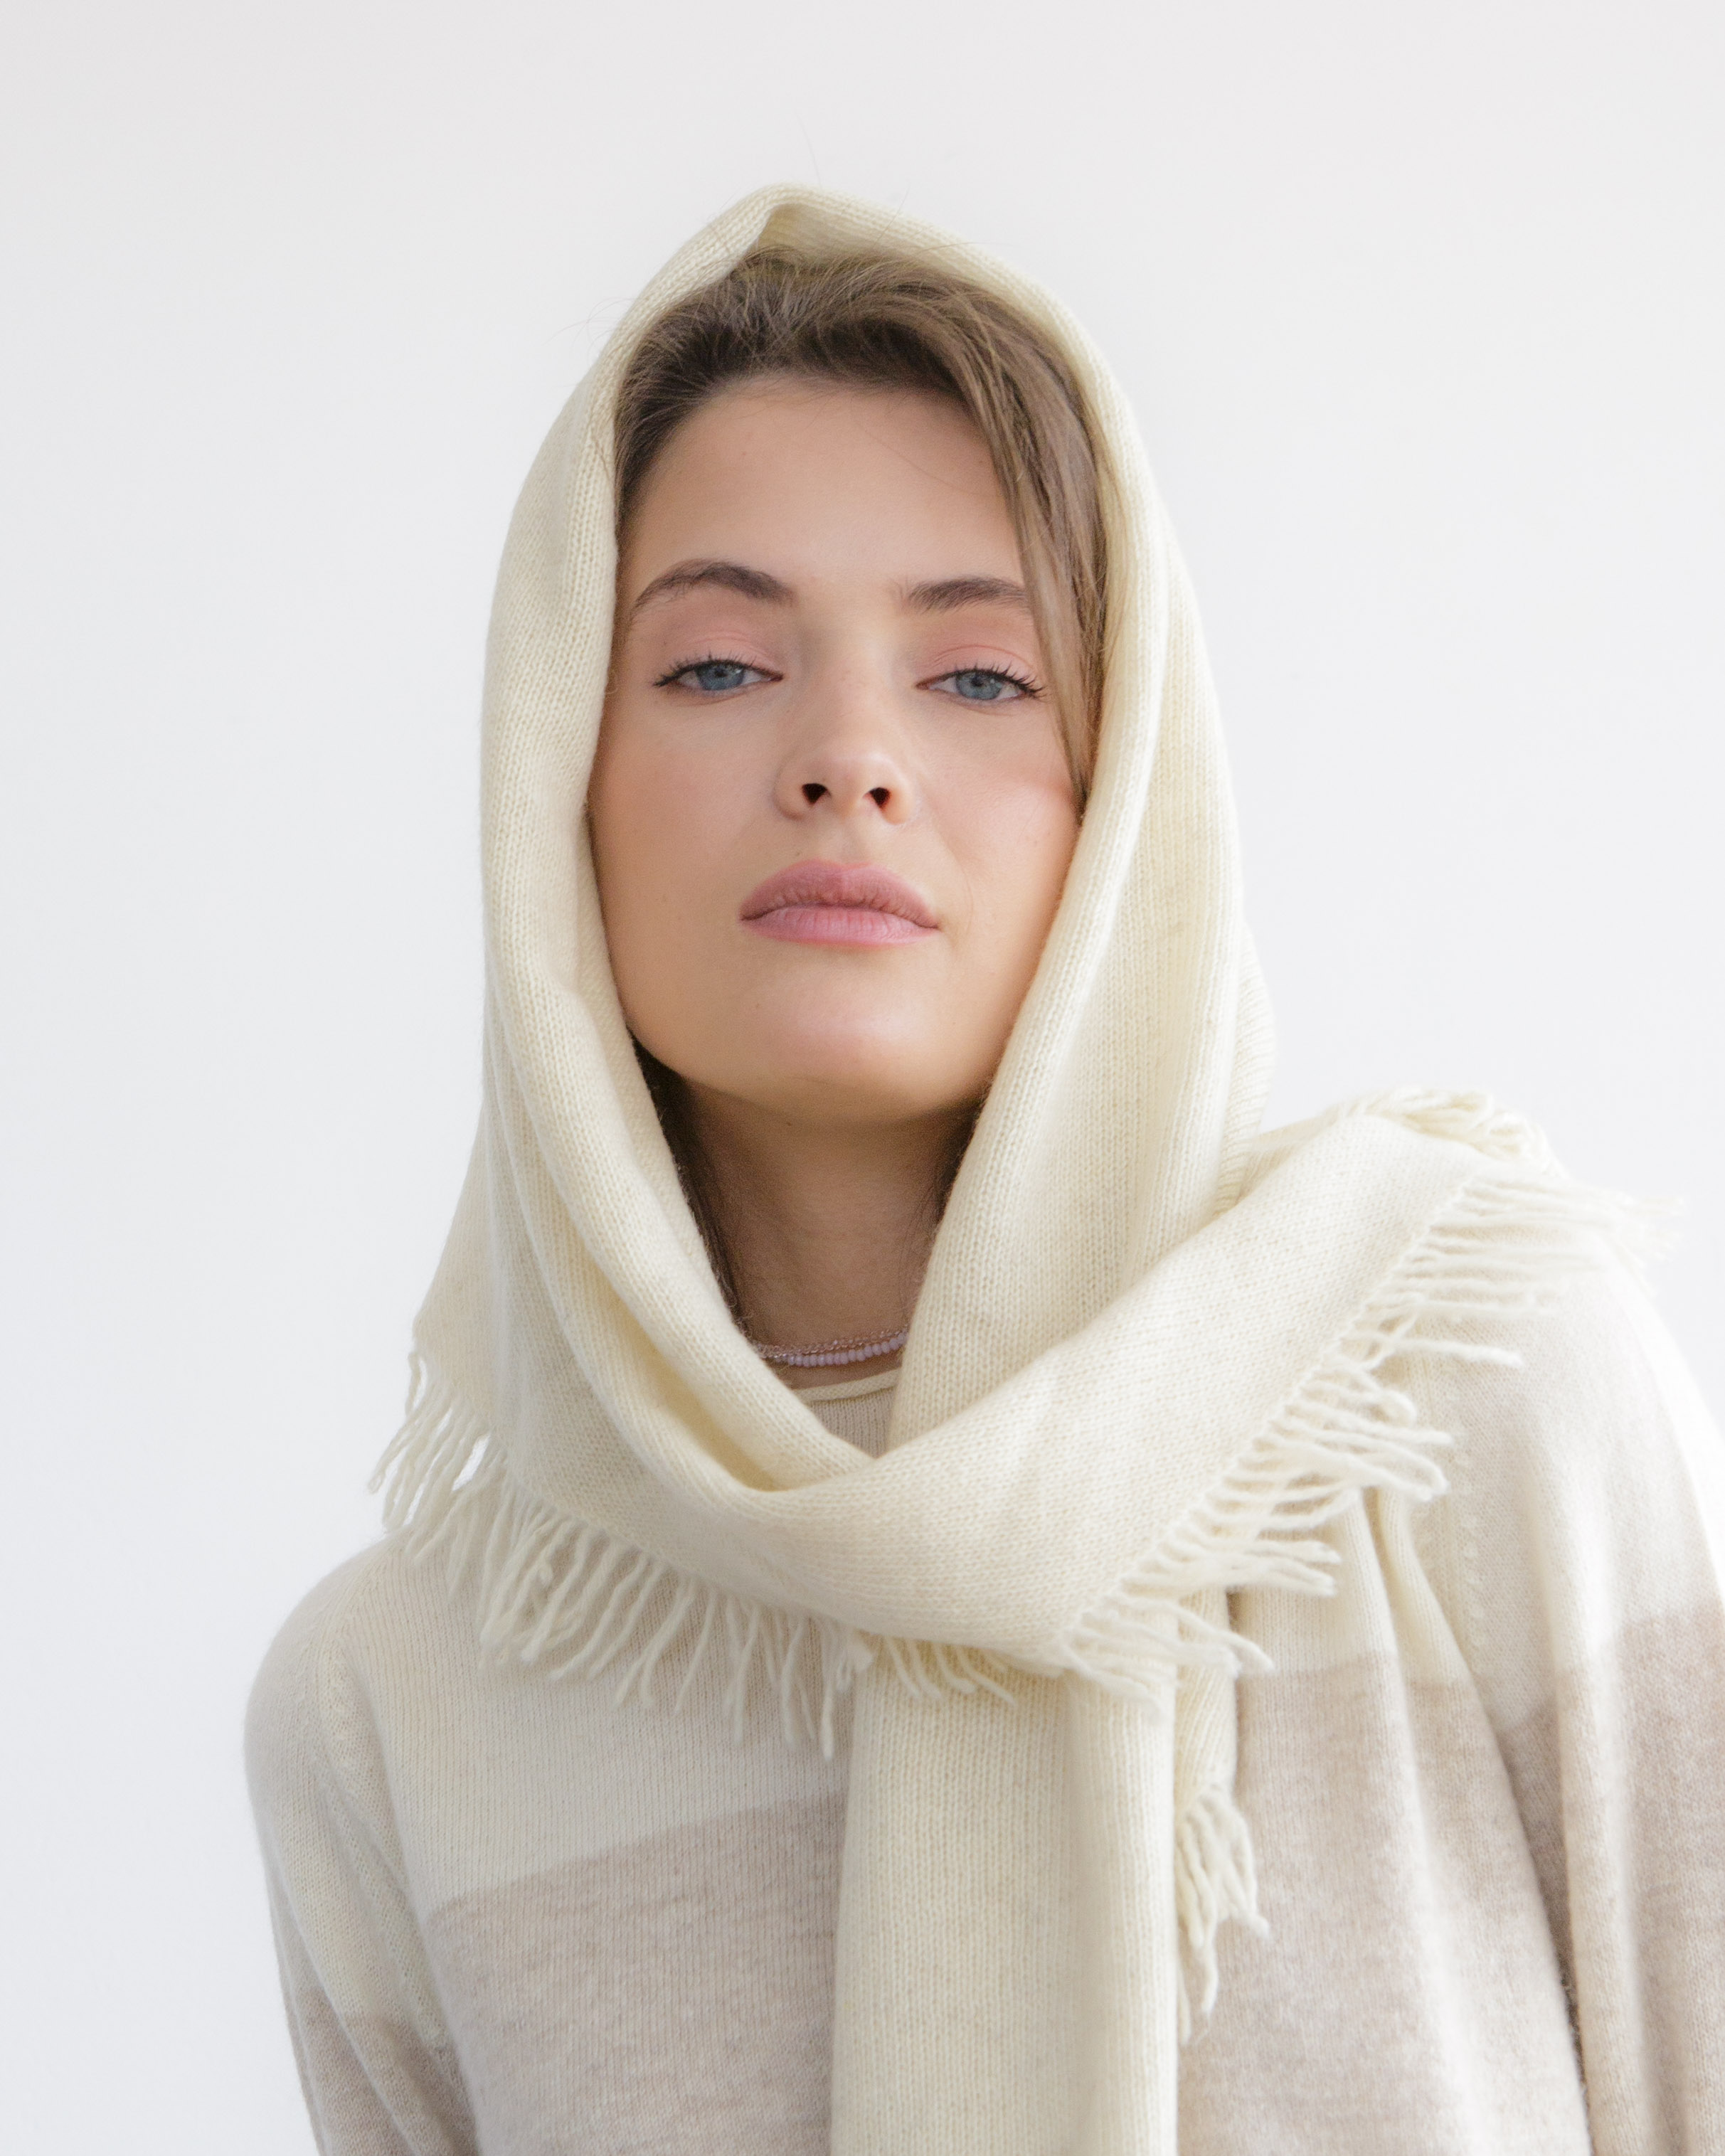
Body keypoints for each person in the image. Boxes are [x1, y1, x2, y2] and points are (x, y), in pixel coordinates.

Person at [246, 186, 1725, 2156]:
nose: (846, 758)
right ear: (553, 787)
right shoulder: (389, 1704)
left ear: (1123, 793)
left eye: (978, 678)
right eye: (716, 667)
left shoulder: (1458, 1403)